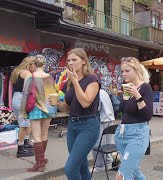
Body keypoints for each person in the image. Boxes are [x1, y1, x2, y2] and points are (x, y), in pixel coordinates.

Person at [53, 48, 101, 179]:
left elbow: (86, 103)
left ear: (84, 61)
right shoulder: (69, 82)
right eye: (69, 60)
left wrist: (75, 81)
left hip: (88, 126)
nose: (71, 63)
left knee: (70, 168)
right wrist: (58, 103)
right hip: (72, 125)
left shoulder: (92, 79)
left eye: (74, 60)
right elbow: (69, 109)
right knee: (81, 165)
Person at [115, 57, 153, 180]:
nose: (124, 74)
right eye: (122, 71)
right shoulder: (127, 87)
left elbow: (147, 115)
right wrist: (125, 95)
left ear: (136, 70)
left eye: (127, 71)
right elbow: (122, 110)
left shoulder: (145, 87)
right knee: (135, 172)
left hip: (137, 135)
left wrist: (137, 95)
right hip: (122, 134)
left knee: (122, 176)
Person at [20, 55, 57, 172]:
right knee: (44, 133)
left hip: (35, 108)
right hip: (49, 108)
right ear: (44, 65)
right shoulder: (50, 77)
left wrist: (23, 112)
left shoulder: (31, 77)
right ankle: (42, 160)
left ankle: (39, 163)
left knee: (36, 135)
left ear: (34, 65)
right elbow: (54, 94)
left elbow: (25, 95)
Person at [11, 56, 36, 158]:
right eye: (34, 65)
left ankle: (25, 144)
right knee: (24, 125)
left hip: (16, 97)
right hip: (22, 98)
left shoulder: (17, 71)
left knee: (26, 123)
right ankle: (20, 149)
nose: (35, 67)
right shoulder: (27, 73)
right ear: (30, 64)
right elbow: (27, 89)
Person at [90, 89, 115, 173]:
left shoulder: (94, 91)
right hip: (110, 118)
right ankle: (108, 163)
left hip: (101, 119)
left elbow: (96, 107)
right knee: (108, 143)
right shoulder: (103, 91)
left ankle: (100, 165)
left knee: (97, 144)